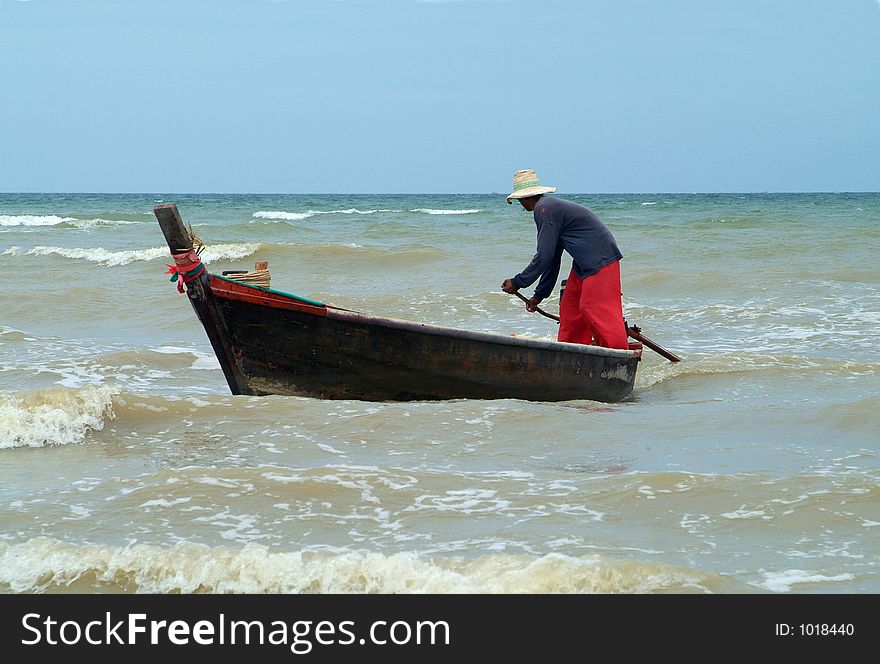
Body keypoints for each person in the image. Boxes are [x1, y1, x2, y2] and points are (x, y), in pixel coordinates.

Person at [501, 168, 629, 349]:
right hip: (583, 265)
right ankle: (572, 351)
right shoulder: (548, 208)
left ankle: (618, 354)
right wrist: (539, 295)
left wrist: (518, 282)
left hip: (601, 260)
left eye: (520, 201)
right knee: (571, 309)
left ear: (523, 198)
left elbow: (543, 257)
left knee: (592, 309)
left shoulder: (544, 209)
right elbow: (552, 258)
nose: (522, 206)